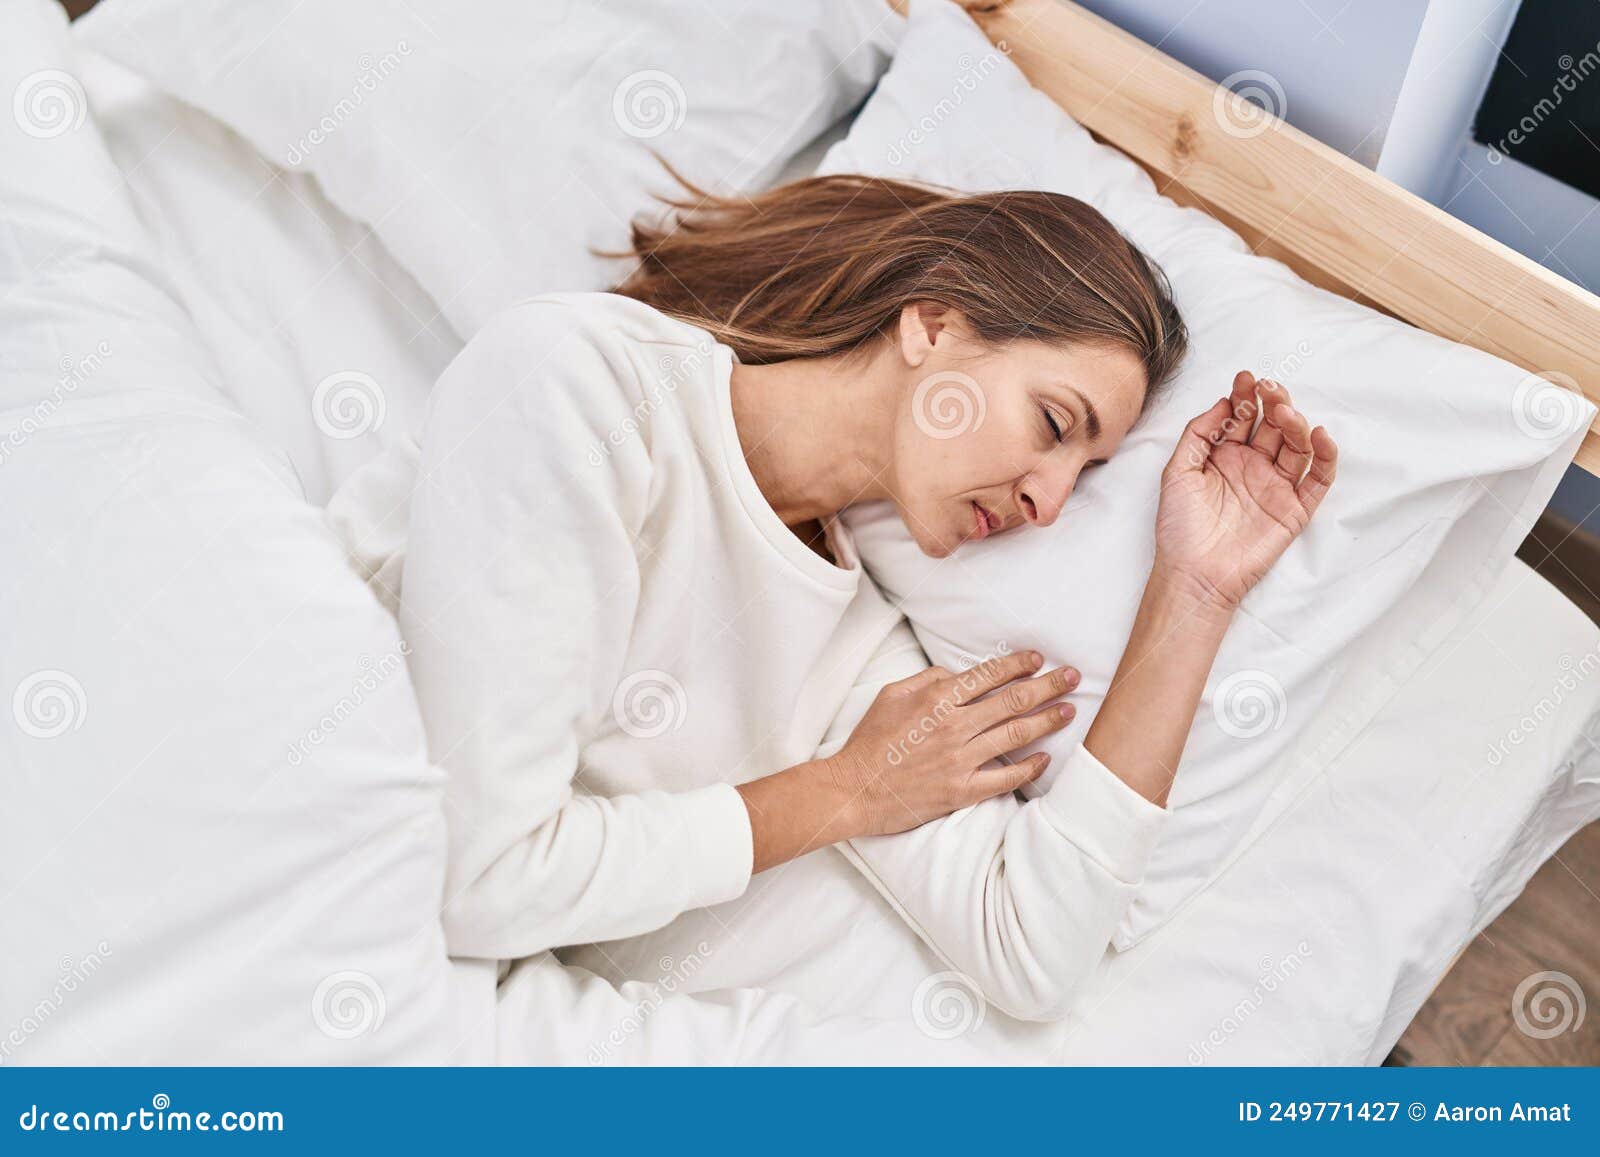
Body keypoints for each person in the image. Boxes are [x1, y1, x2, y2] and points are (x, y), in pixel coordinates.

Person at [396, 174, 1337, 1029]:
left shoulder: (850, 643)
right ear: (930, 325)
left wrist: (1197, 587)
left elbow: (1032, 948)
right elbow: (478, 876)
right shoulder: (586, 388)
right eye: (1053, 425)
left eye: (1082, 474)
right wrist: (844, 791)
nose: (1048, 504)